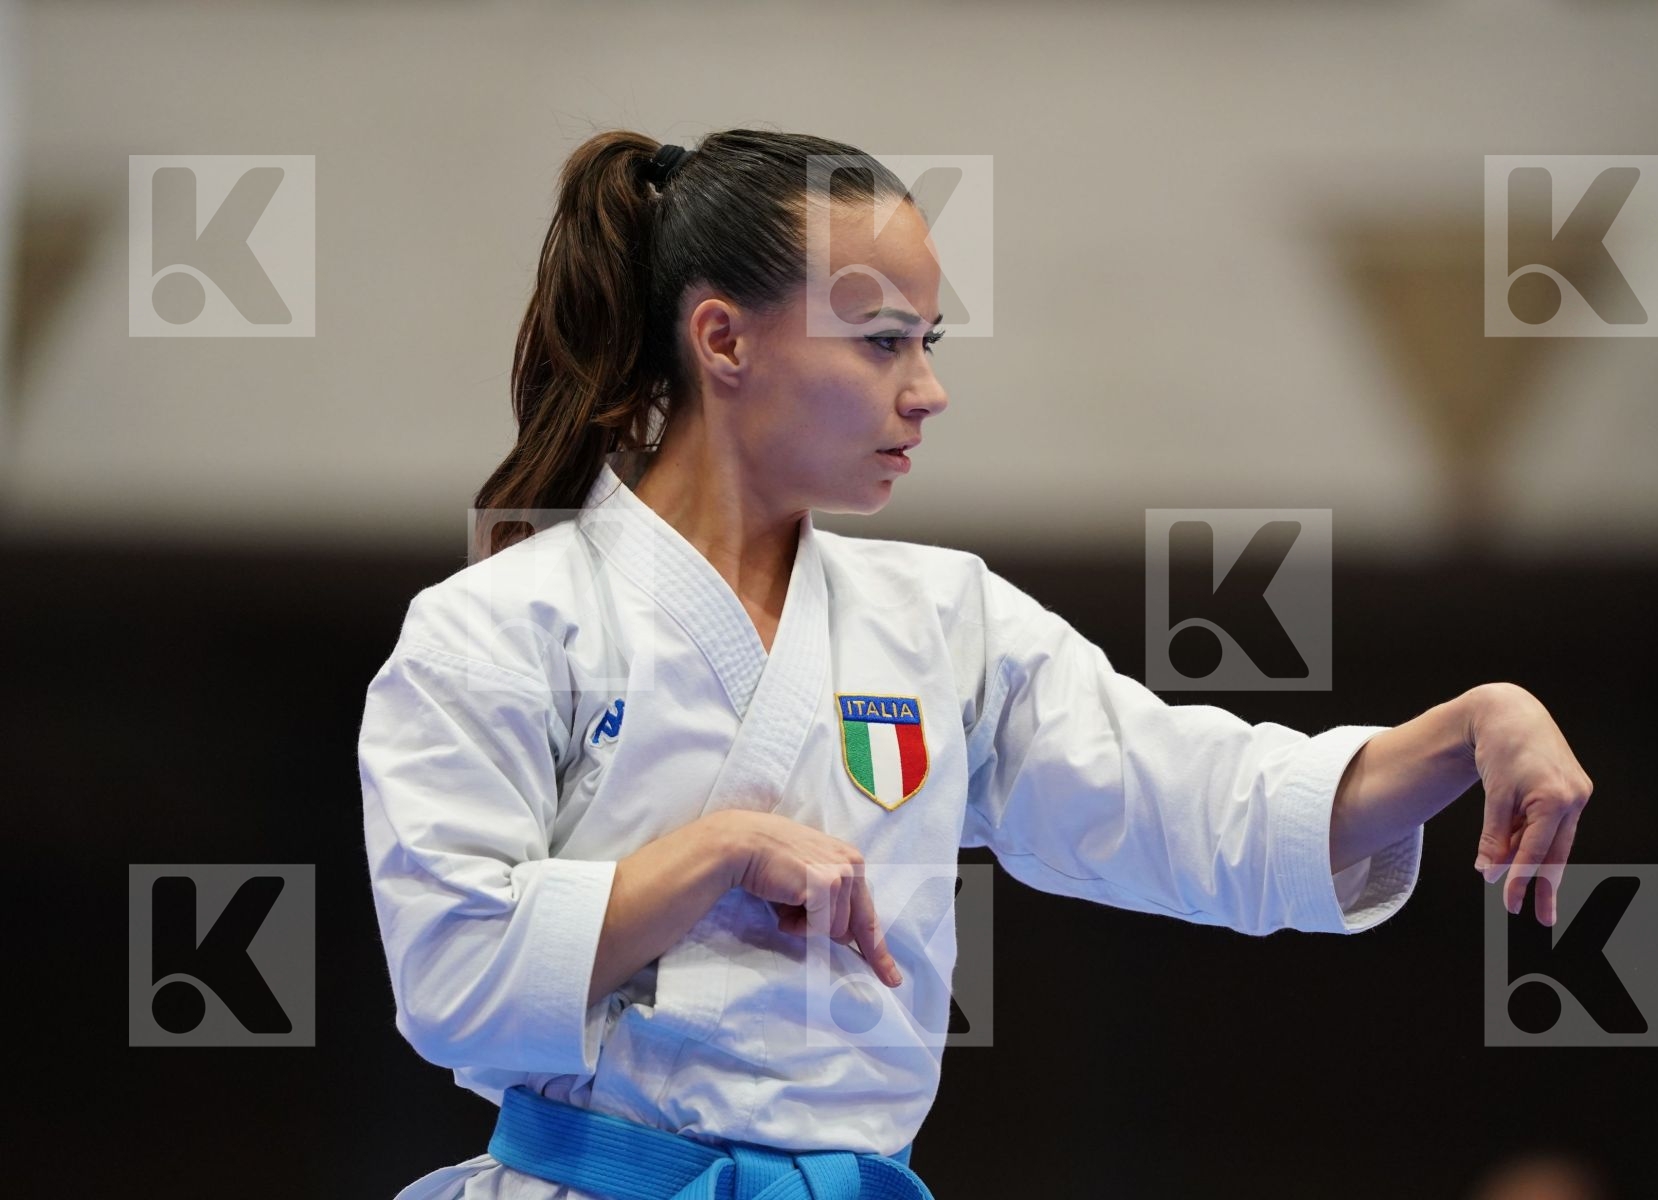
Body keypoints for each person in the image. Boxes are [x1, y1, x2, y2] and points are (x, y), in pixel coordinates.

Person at [357, 127, 1595, 1200]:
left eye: (928, 342)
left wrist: (1464, 730)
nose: (930, 391)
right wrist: (717, 854)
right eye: (882, 342)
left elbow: (1186, 801)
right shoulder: (503, 625)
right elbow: (450, 973)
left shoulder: (943, 620)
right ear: (722, 339)